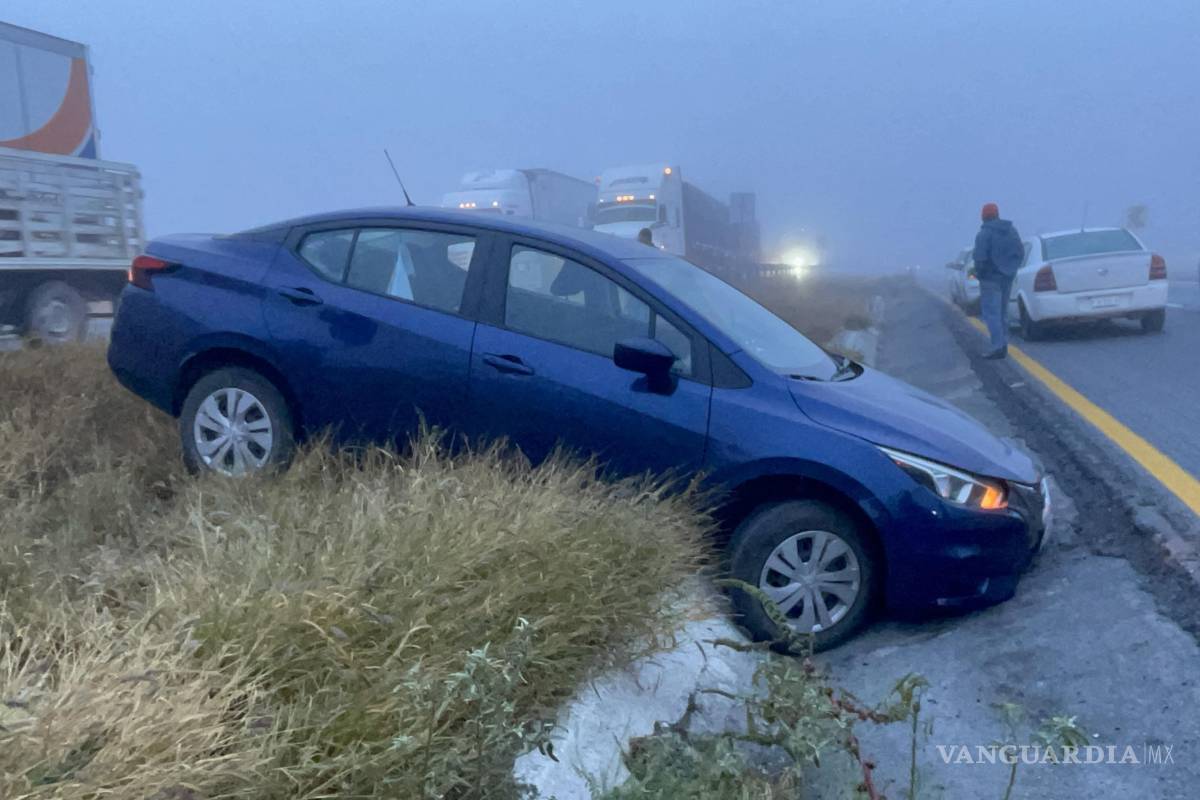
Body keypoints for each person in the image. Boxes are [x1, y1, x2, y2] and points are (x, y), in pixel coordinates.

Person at [973, 203, 1025, 359]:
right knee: (1002, 313)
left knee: (991, 314)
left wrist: (980, 273)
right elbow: (1020, 252)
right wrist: (1011, 269)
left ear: (983, 216)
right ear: (997, 214)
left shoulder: (984, 234)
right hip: (1007, 278)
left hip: (990, 279)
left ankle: (997, 347)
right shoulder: (1012, 231)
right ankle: (1003, 345)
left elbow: (980, 258)